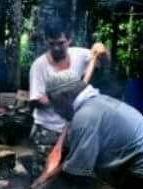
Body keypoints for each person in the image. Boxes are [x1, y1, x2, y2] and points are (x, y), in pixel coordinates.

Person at [29, 20, 109, 179]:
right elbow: (35, 100)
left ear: (69, 39)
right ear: (46, 41)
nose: (57, 48)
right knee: (43, 180)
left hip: (73, 130)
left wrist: (103, 52)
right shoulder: (39, 66)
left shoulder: (80, 54)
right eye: (52, 44)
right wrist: (63, 99)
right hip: (48, 131)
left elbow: (104, 62)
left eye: (61, 43)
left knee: (68, 180)